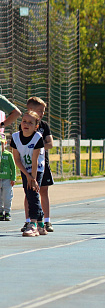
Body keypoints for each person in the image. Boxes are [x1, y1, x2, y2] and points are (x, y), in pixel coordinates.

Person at [11, 111, 47, 237]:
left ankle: (33, 224)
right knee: (29, 193)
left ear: (36, 126)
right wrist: (27, 175)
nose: (26, 124)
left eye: (30, 123)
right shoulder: (15, 137)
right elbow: (17, 159)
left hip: (37, 169)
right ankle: (41, 224)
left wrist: (34, 178)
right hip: (25, 169)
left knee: (32, 192)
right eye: (24, 121)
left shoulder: (37, 138)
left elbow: (35, 160)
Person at [21, 97, 54, 233]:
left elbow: (50, 144)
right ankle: (29, 220)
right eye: (40, 111)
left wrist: (37, 147)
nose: (42, 113)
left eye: (43, 111)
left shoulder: (44, 126)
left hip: (41, 164)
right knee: (28, 193)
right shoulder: (24, 125)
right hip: (27, 164)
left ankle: (46, 221)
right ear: (31, 110)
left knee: (43, 191)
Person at [0, 133, 16, 221]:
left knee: (7, 197)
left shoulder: (8, 154)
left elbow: (13, 167)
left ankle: (7, 212)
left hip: (7, 179)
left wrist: (13, 178)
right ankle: (0, 212)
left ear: (5, 143)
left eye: (1, 143)